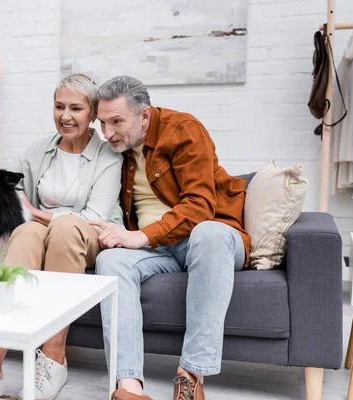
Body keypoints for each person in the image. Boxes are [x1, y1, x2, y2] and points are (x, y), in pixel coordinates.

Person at [0, 73, 124, 400]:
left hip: (86, 235)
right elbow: (11, 180)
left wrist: (38, 213)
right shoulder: (42, 149)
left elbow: (94, 218)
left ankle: (53, 357)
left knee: (60, 226)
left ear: (91, 113)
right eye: (59, 106)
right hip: (42, 232)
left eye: (76, 108)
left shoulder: (108, 157)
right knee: (27, 232)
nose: (65, 115)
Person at [88, 76, 250, 400]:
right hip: (159, 251)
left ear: (144, 115)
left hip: (209, 240)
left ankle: (190, 376)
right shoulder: (115, 152)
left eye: (116, 122)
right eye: (102, 123)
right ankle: (128, 386)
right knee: (110, 260)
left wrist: (141, 236)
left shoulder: (183, 129)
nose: (107, 134)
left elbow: (201, 205)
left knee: (208, 233)